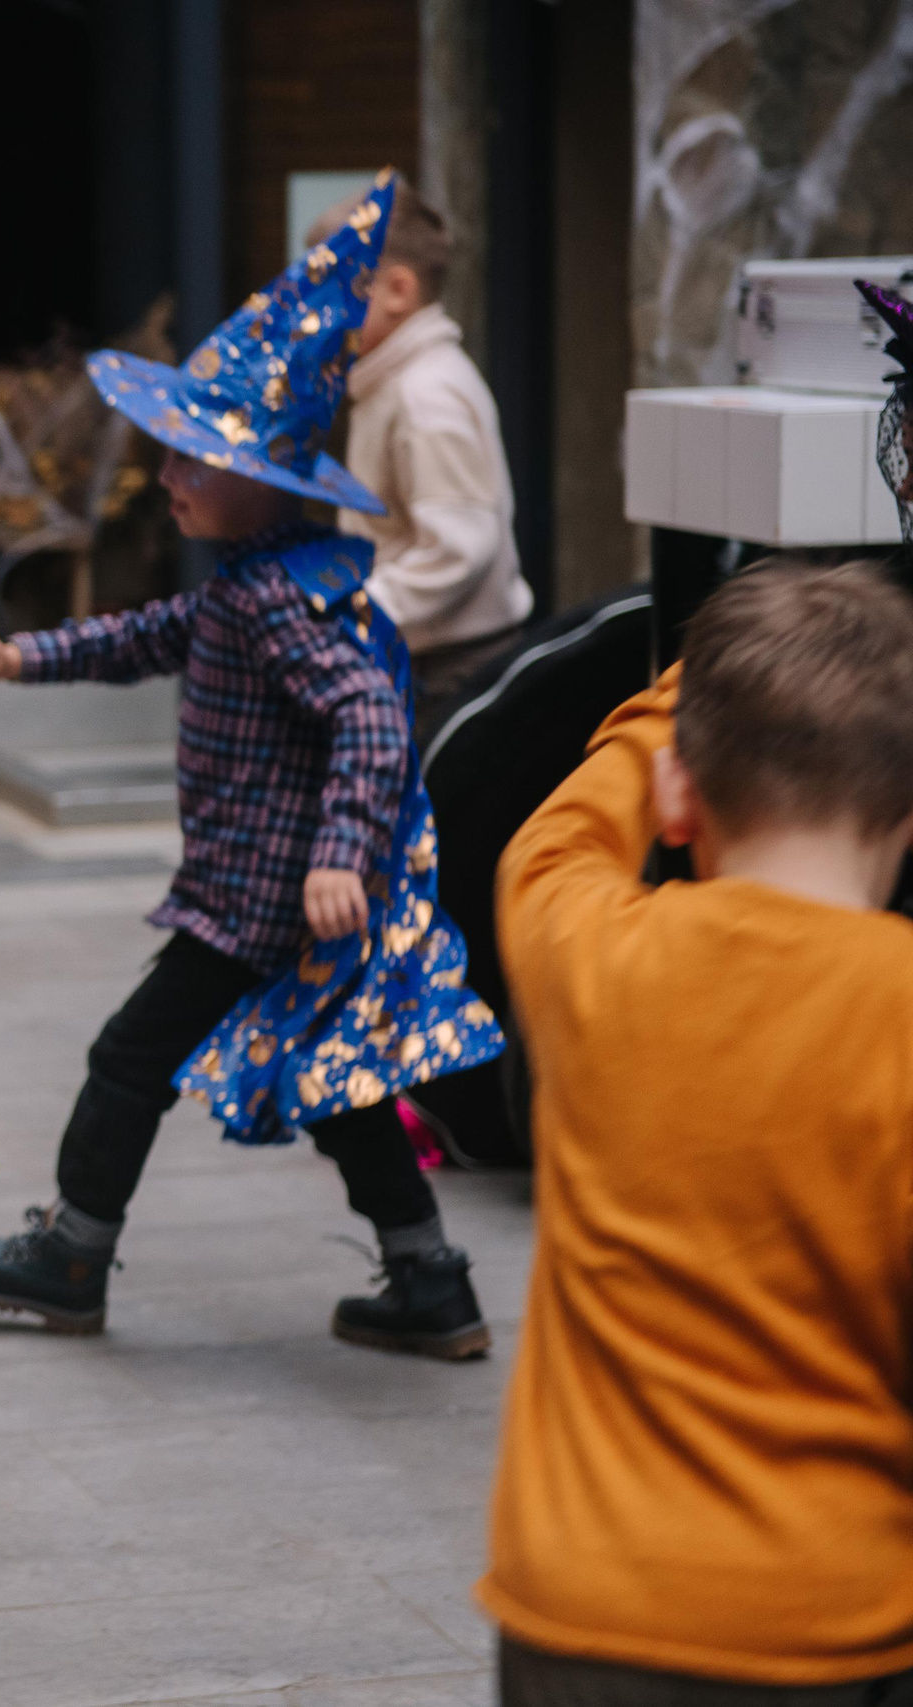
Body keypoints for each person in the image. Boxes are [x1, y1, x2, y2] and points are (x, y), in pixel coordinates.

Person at [0, 172, 504, 1356]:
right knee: (336, 1086)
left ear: (271, 486)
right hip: (275, 889)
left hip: (256, 891)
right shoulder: (260, 582)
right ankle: (430, 1283)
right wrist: (22, 656)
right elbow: (138, 637)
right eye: (171, 456)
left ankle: (72, 1253)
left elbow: (366, 717)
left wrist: (337, 856)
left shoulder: (274, 604)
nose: (171, 478)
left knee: (128, 1055)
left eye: (197, 462)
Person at [482, 563, 913, 1704]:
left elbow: (553, 838)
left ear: (677, 798)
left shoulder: (584, 946)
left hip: (579, 1612)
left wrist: (677, 698)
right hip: (833, 1616)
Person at [303, 184, 528, 746]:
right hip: (424, 654)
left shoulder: (425, 393)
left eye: (328, 287)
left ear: (397, 290)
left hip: (449, 667)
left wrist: (348, 613)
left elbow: (458, 548)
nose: (311, 312)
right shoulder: (392, 382)